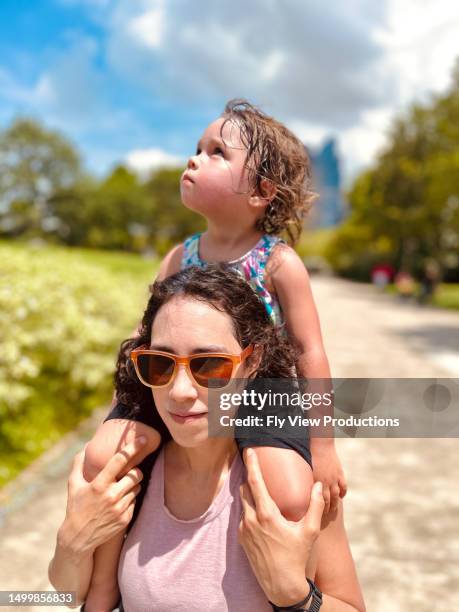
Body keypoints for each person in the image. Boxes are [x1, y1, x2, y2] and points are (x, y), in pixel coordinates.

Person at [82, 99, 347, 610]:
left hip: (257, 393)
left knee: (290, 488)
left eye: (216, 152)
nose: (194, 159)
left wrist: (325, 446)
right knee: (101, 457)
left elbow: (311, 351)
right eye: (196, 149)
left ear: (262, 192)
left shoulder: (279, 262)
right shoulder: (181, 255)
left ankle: (289, 584)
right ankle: (101, 590)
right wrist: (129, 400)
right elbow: (146, 335)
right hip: (177, 383)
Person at [49, 266, 365, 611]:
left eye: (210, 364)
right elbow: (73, 598)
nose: (181, 391)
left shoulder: (295, 485)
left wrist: (298, 597)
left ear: (253, 361)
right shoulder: (127, 472)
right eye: (160, 364)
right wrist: (71, 543)